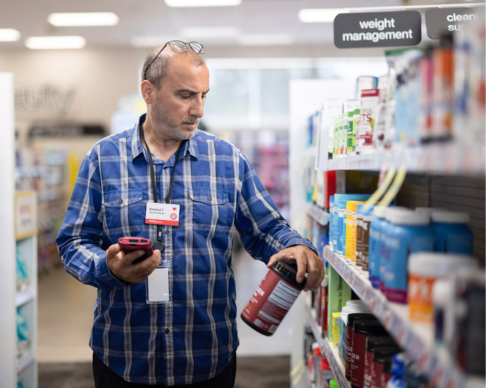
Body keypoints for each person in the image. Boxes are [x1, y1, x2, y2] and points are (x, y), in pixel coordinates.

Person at [56, 40, 325, 388]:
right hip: (124, 356)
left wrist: (295, 246)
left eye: (203, 95)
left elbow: (265, 228)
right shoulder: (103, 159)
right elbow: (73, 241)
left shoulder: (227, 160)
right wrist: (107, 268)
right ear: (148, 92)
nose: (198, 109)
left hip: (208, 357)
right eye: (185, 95)